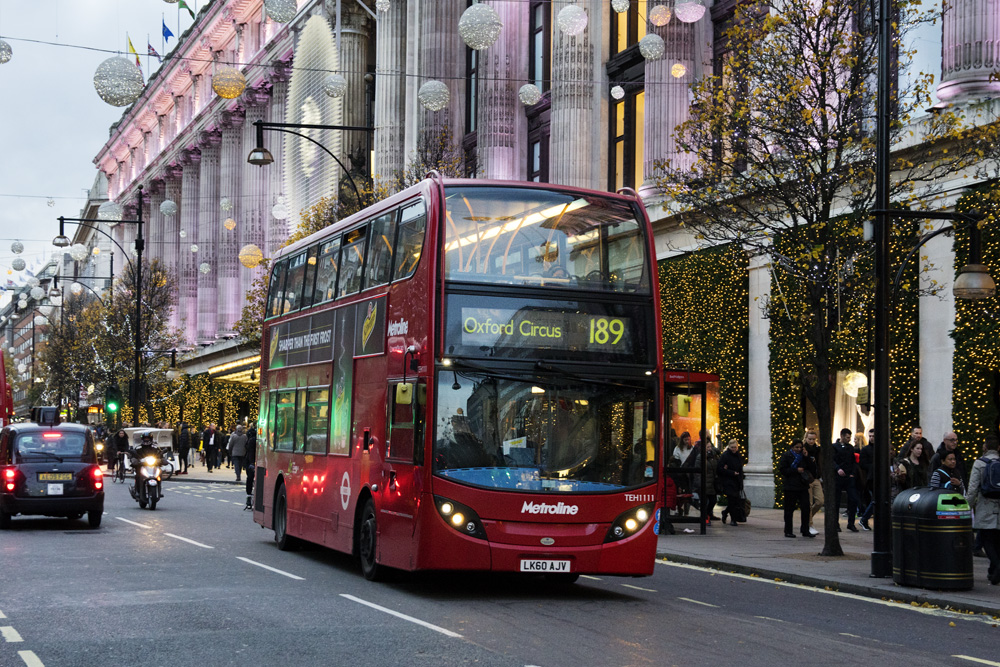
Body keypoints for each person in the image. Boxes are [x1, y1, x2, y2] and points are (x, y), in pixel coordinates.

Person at [965, 435, 1000, 586]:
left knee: (987, 540)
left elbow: (972, 489)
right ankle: (993, 574)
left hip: (986, 505)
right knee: (998, 541)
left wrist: (967, 507)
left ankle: (997, 567)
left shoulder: (979, 463)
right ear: (998, 448)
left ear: (985, 447)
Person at [779, 438, 815, 538]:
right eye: (797, 447)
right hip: (790, 487)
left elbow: (812, 468)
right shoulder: (787, 456)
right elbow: (783, 470)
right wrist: (796, 470)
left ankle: (805, 529)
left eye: (800, 447)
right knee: (789, 509)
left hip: (802, 486)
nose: (799, 449)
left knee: (806, 508)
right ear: (792, 447)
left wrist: (807, 457)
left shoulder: (803, 456)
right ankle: (788, 530)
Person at [833, 427, 861, 532]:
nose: (849, 439)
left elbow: (853, 461)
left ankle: (851, 523)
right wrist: (837, 469)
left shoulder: (850, 448)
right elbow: (832, 460)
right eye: (847, 437)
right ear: (842, 436)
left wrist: (853, 473)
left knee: (853, 499)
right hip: (838, 476)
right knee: (836, 500)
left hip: (848, 476)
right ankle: (835, 523)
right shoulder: (834, 447)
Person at [717, 439, 746, 526]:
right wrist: (731, 472)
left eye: (735, 447)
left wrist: (741, 482)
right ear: (729, 447)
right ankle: (733, 519)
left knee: (734, 501)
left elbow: (740, 469)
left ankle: (725, 512)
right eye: (732, 447)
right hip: (728, 481)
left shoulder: (738, 455)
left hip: (736, 481)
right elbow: (720, 469)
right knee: (732, 499)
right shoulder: (725, 456)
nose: (733, 449)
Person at [803, 429, 823, 535]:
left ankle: (807, 518)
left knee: (820, 501)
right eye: (810, 439)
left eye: (813, 439)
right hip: (807, 478)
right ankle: (809, 524)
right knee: (809, 503)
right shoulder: (803, 450)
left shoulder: (817, 450)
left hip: (815, 478)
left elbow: (820, 463)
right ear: (806, 438)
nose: (812, 441)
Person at [129, 432, 161, 497]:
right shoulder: (138, 448)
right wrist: (134, 460)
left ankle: (159, 491)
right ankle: (137, 491)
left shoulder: (155, 448)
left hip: (153, 466)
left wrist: (161, 460)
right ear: (142, 439)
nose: (146, 440)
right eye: (145, 438)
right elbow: (134, 455)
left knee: (159, 474)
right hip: (141, 465)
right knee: (138, 475)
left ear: (151, 439)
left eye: (148, 438)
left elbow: (159, 455)